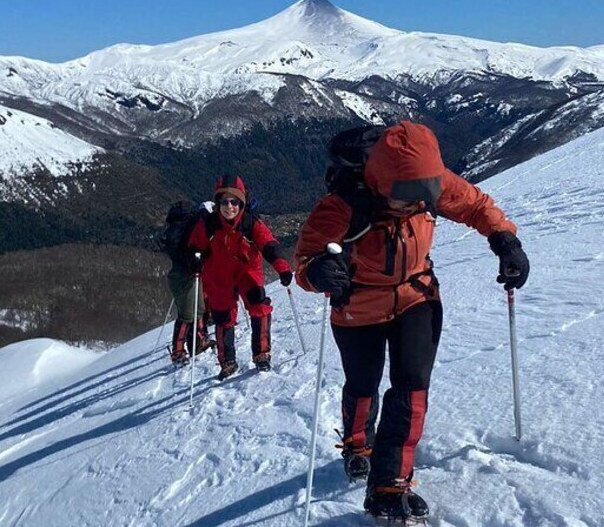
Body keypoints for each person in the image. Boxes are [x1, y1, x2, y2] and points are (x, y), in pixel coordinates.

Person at [294, 121, 530, 521]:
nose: (416, 204)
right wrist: (318, 272)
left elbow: (474, 204)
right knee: (363, 384)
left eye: (424, 195)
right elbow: (306, 259)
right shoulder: (344, 205)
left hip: (416, 296)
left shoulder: (427, 183)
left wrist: (505, 240)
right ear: (383, 181)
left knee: (411, 388)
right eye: (406, 196)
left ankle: (390, 483)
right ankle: (356, 443)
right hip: (358, 306)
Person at [188, 174, 293, 380]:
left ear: (241, 202)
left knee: (260, 307)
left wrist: (283, 268)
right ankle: (227, 361)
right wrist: (195, 259)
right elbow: (195, 246)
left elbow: (269, 245)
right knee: (223, 317)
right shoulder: (208, 224)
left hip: (247, 273)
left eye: (234, 201)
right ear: (218, 203)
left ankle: (261, 353)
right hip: (219, 276)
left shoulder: (250, 223)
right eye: (224, 201)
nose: (229, 207)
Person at [156, 200, 216, 366]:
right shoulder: (192, 226)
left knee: (199, 309)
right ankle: (179, 351)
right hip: (186, 275)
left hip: (183, 274)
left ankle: (197, 342)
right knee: (188, 315)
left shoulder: (179, 230)